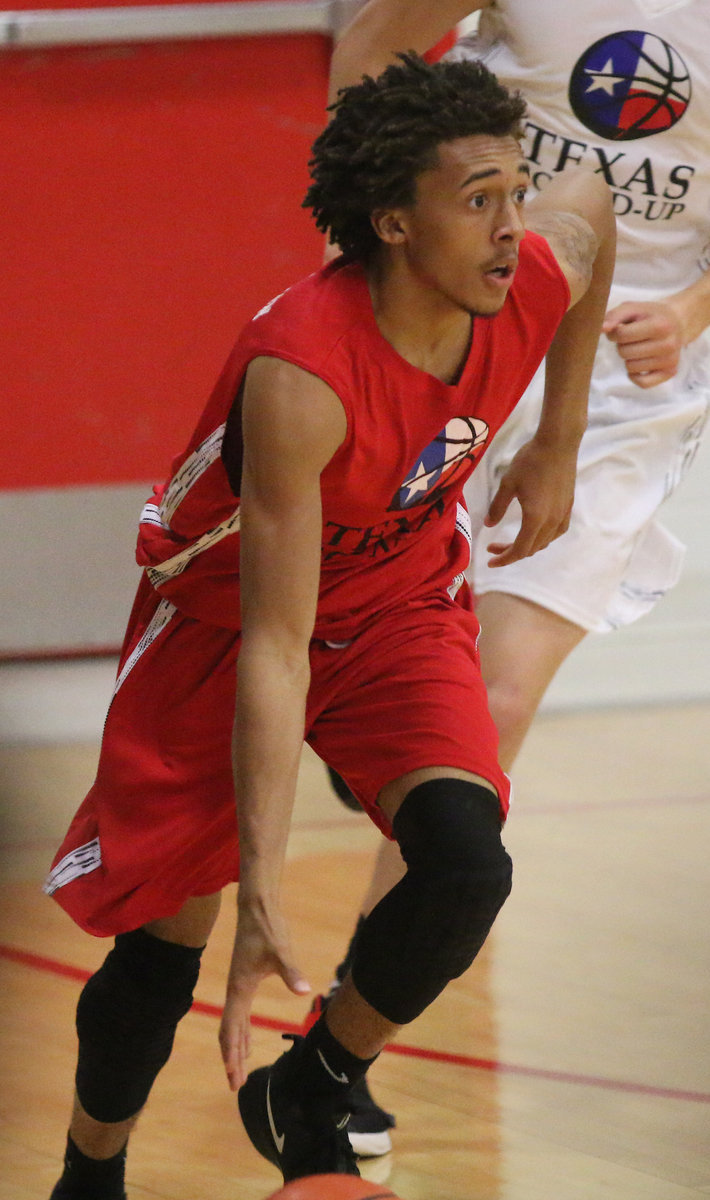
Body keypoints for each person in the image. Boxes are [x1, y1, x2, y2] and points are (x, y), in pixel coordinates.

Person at [43, 52, 615, 1195]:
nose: (510, 228)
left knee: (464, 866)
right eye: (476, 202)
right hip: (225, 619)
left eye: (511, 191)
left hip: (398, 602)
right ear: (392, 225)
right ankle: (88, 1173)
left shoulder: (526, 272)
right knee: (169, 939)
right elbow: (273, 641)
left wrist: (558, 435)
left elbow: (589, 208)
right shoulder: (302, 374)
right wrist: (261, 884)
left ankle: (314, 1076)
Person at [314, 0, 710, 1157]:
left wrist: (687, 312)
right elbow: (371, 50)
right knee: (374, 640)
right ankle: (375, 747)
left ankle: (347, 1039)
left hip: (631, 388)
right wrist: (380, 249)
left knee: (487, 701)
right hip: (465, 312)